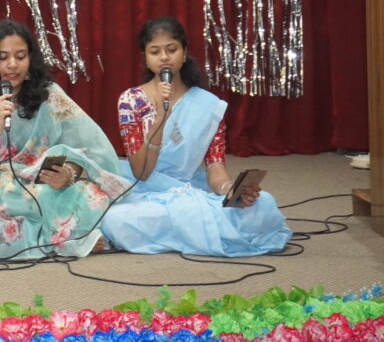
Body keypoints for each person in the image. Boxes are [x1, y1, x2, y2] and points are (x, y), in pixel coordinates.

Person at [99, 16, 292, 256]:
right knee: (116, 219)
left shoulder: (208, 105)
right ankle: (199, 228)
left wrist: (230, 190)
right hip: (144, 191)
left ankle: (183, 227)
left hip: (187, 190)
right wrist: (159, 119)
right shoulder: (131, 100)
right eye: (155, 51)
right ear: (146, 58)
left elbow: (215, 166)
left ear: (184, 52)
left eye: (172, 49)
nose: (164, 57)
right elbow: (142, 172)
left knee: (264, 204)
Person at [0, 19, 128, 259]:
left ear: (30, 60)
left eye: (20, 56)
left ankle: (52, 235)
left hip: (41, 185)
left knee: (87, 193)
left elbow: (89, 151)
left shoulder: (50, 97)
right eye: (3, 57)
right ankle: (63, 238)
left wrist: (68, 174)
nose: (12, 64)